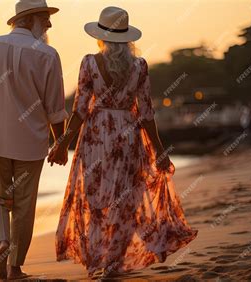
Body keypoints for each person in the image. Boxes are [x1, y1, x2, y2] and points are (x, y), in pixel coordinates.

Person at [48, 6, 198, 278]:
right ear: (128, 38)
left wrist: (61, 143)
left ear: (101, 36)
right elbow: (146, 112)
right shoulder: (139, 66)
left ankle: (98, 260)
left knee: (96, 202)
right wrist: (159, 150)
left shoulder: (89, 63)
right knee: (126, 201)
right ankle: (113, 263)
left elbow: (80, 109)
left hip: (96, 137)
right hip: (128, 137)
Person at [0, 0, 68, 279]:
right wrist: (60, 143)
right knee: (23, 206)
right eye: (45, 18)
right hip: (31, 144)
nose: (49, 24)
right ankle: (15, 267)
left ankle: (1, 243)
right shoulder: (48, 54)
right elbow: (55, 108)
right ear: (31, 19)